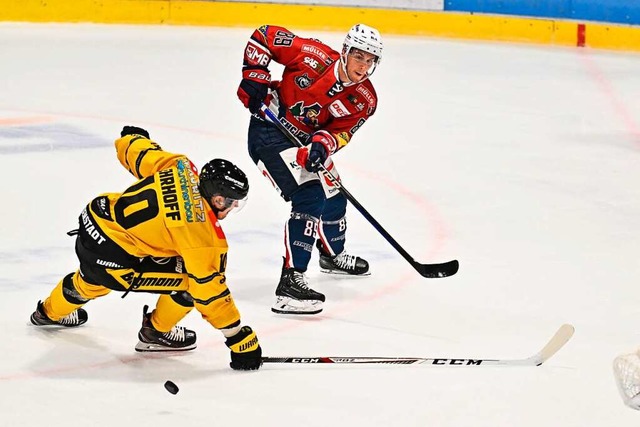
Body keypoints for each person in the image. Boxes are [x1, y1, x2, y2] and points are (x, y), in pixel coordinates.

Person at [29, 126, 262, 371]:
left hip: (95, 219)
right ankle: (156, 332)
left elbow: (140, 154)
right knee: (190, 281)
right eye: (232, 204)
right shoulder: (202, 234)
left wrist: (133, 137)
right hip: (112, 259)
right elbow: (209, 292)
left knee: (90, 278)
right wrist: (238, 338)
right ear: (217, 199)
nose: (231, 209)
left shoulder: (182, 167)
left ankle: (47, 312)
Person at [236, 24, 382, 315]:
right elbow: (264, 35)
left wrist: (320, 146)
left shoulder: (365, 100)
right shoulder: (311, 55)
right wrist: (255, 77)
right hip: (269, 131)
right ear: (345, 52)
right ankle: (290, 283)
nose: (363, 66)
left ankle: (331, 256)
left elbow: (342, 132)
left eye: (370, 61)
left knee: (335, 195)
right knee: (310, 195)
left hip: (302, 142)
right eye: (359, 57)